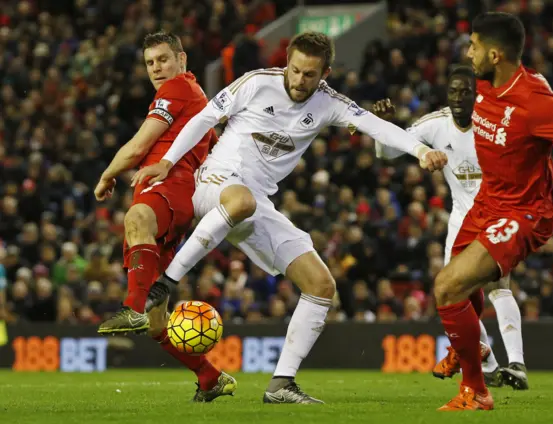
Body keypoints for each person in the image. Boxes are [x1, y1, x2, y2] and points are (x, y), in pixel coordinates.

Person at [131, 31, 447, 404]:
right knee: (241, 200)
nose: (298, 81)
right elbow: (203, 119)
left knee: (321, 285)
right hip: (215, 183)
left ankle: (281, 384)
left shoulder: (329, 103)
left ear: (324, 72)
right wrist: (168, 161)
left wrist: (419, 150)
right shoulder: (255, 84)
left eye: (309, 75)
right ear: (287, 63)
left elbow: (373, 126)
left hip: (256, 202)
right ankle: (165, 283)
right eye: (294, 71)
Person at [373, 65, 553, 390]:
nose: (460, 99)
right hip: (462, 221)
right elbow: (388, 151)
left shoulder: (499, 126)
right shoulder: (435, 124)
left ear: (479, 94)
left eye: (467, 92)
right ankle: (487, 361)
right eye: (454, 92)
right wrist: (383, 126)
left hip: (501, 214)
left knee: (499, 284)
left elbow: (543, 172)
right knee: (451, 295)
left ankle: (516, 363)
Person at [428, 12, 553, 410]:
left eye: (474, 46)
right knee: (455, 289)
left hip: (523, 213)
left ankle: (475, 391)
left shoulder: (535, 100)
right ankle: (470, 347)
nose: (468, 52)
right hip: (487, 202)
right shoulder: (480, 83)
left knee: (447, 287)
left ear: (495, 54)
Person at [93, 31, 237, 402]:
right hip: (173, 190)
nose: (157, 68)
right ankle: (209, 376)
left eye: (163, 59)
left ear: (182, 60)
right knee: (160, 324)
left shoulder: (178, 88)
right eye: (150, 62)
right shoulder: (195, 97)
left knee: (136, 219)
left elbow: (140, 144)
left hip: (169, 186)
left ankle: (130, 308)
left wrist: (107, 174)